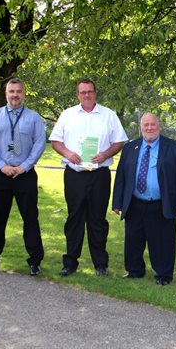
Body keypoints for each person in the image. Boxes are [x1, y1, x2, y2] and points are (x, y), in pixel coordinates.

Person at [49, 79, 128, 277]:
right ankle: (70, 262)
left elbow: (119, 141)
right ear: (77, 94)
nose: (87, 95)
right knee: (74, 218)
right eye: (83, 92)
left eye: (90, 92)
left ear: (95, 93)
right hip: (74, 174)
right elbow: (56, 141)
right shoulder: (67, 115)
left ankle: (100, 264)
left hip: (99, 175)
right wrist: (67, 154)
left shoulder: (108, 115)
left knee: (98, 220)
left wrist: (105, 154)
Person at [112, 113, 176, 285]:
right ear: (140, 128)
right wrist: (117, 201)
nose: (149, 128)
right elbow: (121, 176)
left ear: (159, 126)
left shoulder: (174, 147)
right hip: (135, 202)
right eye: (145, 125)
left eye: (152, 125)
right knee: (133, 239)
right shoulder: (130, 148)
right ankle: (134, 270)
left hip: (162, 203)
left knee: (162, 241)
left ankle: (163, 275)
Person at [0, 78, 46, 276]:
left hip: (24, 175)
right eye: (11, 91)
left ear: (24, 94)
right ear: (6, 93)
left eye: (18, 91)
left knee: (30, 218)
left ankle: (35, 261)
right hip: (0, 175)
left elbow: (39, 144)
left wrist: (24, 167)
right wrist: (1, 166)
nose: (15, 95)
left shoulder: (34, 118)